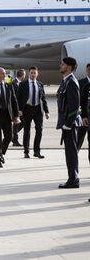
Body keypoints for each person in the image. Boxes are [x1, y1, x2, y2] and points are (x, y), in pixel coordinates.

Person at [57, 57, 82, 189]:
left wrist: (68, 123)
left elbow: (75, 106)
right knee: (69, 152)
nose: (60, 65)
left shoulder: (72, 82)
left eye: (63, 64)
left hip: (70, 124)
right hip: (67, 124)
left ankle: (74, 179)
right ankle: (72, 178)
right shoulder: (65, 82)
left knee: (71, 152)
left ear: (69, 66)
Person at [17, 66, 49, 159]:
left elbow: (43, 98)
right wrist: (19, 110)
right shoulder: (23, 84)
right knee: (27, 131)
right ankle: (26, 151)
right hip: (27, 109)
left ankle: (37, 151)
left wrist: (46, 111)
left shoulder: (40, 84)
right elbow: (18, 98)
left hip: (38, 110)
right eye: (31, 73)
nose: (33, 74)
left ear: (37, 74)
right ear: (29, 73)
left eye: (34, 73)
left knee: (39, 130)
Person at [11, 69, 26, 147]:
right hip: (16, 107)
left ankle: (12, 136)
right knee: (16, 123)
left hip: (21, 108)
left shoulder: (21, 83)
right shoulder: (14, 83)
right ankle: (15, 140)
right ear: (23, 75)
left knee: (22, 122)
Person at [77, 64, 90, 151]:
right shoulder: (81, 83)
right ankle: (75, 154)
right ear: (86, 71)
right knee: (79, 137)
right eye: (89, 70)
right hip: (83, 115)